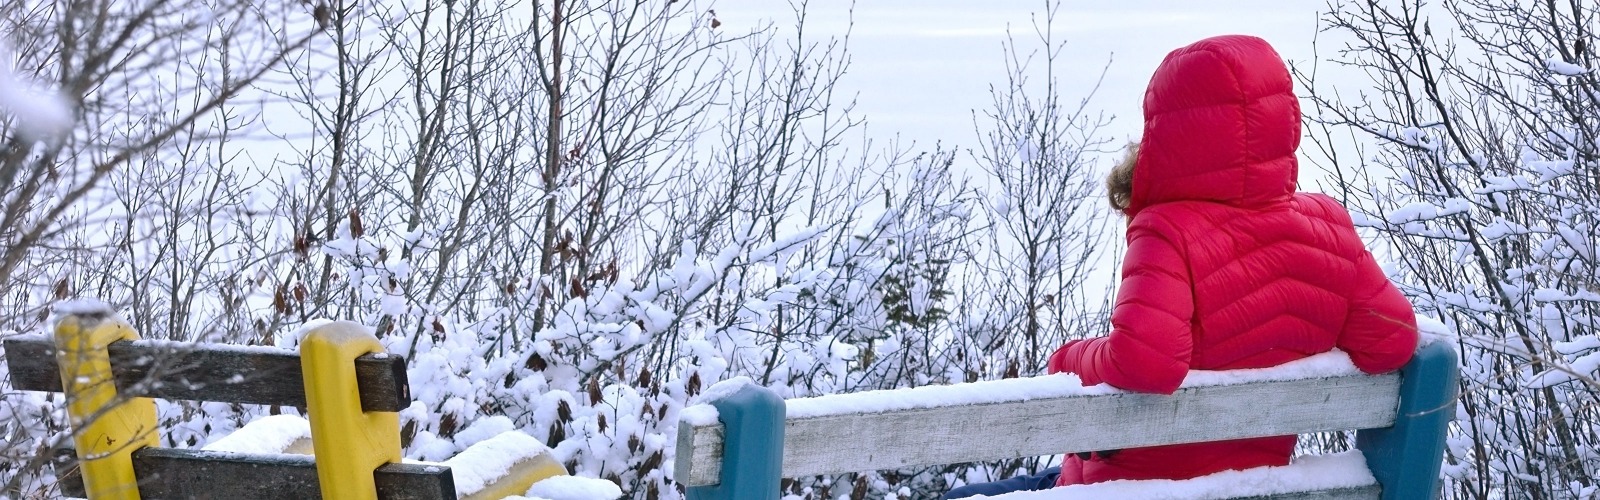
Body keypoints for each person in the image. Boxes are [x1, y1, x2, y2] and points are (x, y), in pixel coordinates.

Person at [944, 34, 1418, 498]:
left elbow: (1146, 363)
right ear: (1283, 119)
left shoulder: (1167, 230)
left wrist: (1068, 360)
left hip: (1131, 488)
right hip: (1251, 487)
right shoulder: (1328, 227)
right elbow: (1392, 340)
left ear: (1171, 132)